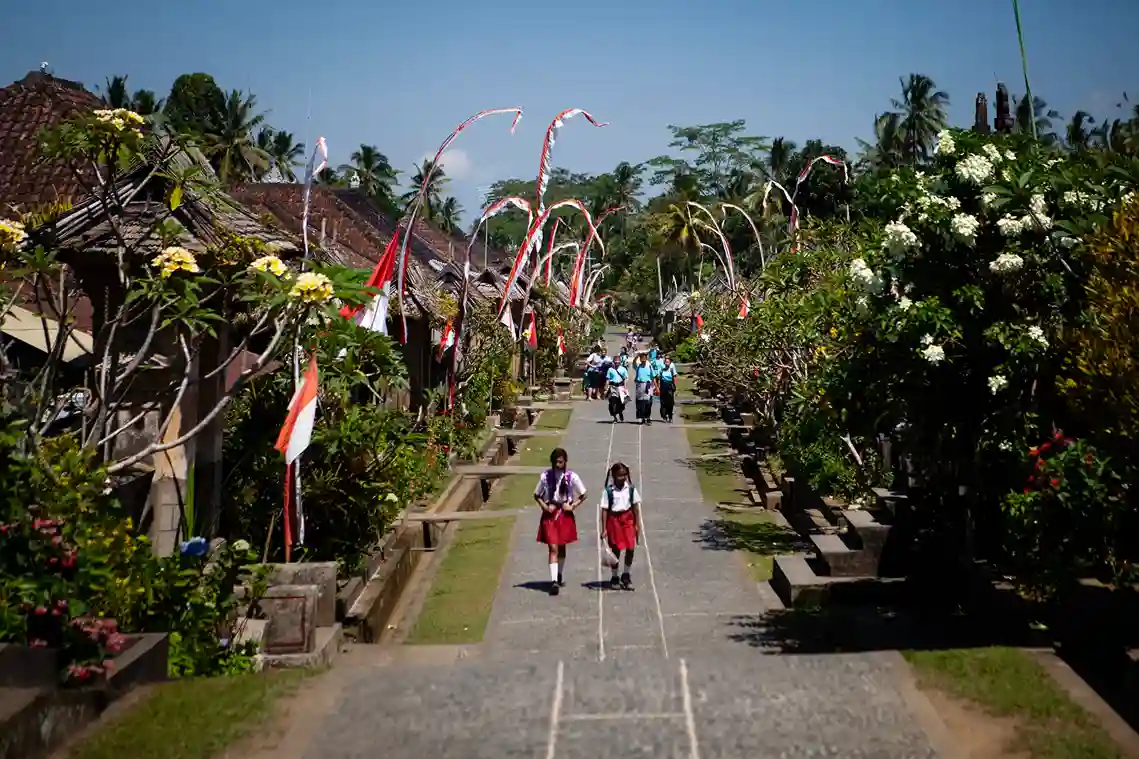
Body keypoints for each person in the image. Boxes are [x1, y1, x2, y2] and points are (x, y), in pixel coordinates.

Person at [534, 447, 587, 595]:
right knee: (553, 548)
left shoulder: (571, 477)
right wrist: (544, 507)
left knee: (562, 547)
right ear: (552, 462)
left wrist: (573, 506)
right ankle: (554, 582)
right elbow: (537, 495)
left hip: (564, 514)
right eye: (556, 462)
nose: (559, 465)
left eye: (561, 462)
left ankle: (559, 573)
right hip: (550, 515)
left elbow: (583, 493)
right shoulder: (545, 476)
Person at [599, 461, 641, 590]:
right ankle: (614, 576)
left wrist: (637, 525)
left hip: (627, 519)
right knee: (616, 549)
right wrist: (604, 528)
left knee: (630, 547)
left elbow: (635, 507)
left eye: (624, 475)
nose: (622, 478)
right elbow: (605, 510)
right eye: (619, 475)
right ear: (613, 475)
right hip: (614, 520)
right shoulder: (608, 491)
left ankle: (626, 574)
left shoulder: (631, 489)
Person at [633, 353, 655, 425]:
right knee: (640, 403)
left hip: (648, 385)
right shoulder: (638, 367)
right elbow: (634, 363)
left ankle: (648, 417)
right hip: (640, 385)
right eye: (641, 359)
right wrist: (637, 356)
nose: (643, 360)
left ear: (646, 359)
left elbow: (653, 377)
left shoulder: (649, 367)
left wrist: (656, 387)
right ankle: (642, 418)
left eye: (644, 358)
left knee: (648, 402)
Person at [605, 358, 628, 423]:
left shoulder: (623, 369)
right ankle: (615, 417)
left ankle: (620, 412)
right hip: (613, 387)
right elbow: (608, 379)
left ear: (620, 362)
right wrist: (606, 387)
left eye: (618, 362)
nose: (617, 364)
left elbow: (625, 379)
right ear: (613, 362)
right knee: (613, 402)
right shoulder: (610, 369)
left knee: (621, 402)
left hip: (620, 387)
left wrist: (625, 388)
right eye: (615, 362)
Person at [658, 356, 678, 422]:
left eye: (668, 362)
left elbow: (675, 377)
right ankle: (664, 416)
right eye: (665, 362)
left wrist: (675, 386)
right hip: (663, 386)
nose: (666, 363)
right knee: (663, 402)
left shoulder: (671, 370)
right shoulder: (662, 370)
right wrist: (658, 386)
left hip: (670, 386)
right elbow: (659, 378)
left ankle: (670, 416)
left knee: (670, 402)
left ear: (670, 363)